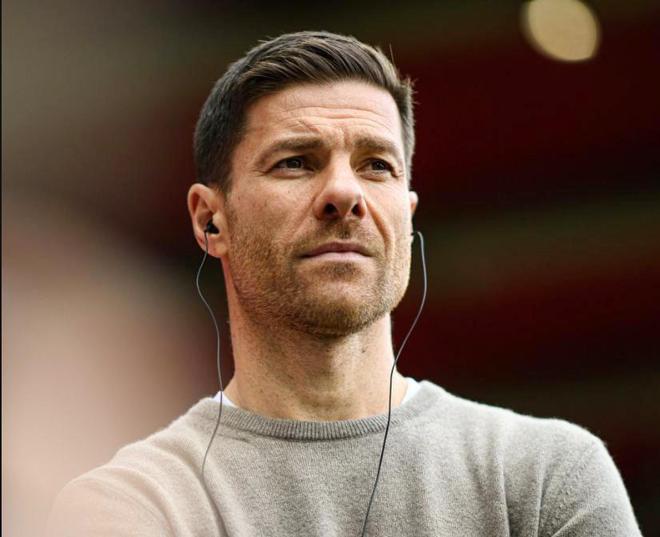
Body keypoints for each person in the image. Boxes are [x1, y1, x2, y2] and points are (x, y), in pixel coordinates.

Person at [46, 30, 642, 537]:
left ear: (407, 215)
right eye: (295, 162)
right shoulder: (131, 507)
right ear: (210, 219)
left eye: (376, 165)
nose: (344, 193)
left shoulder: (544, 479)